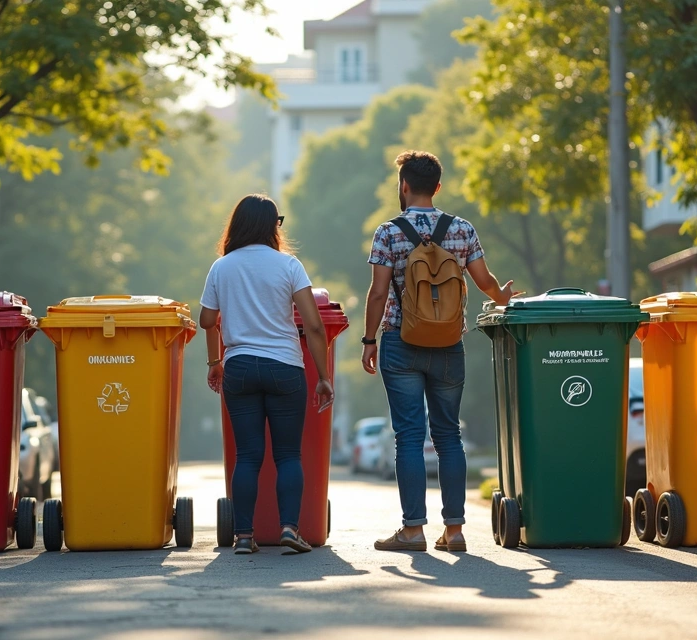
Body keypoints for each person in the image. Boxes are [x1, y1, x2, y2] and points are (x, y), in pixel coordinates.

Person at [362, 150, 517, 553]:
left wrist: (368, 341)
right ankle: (455, 531)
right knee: (449, 436)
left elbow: (379, 292)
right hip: (449, 345)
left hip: (401, 341)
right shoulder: (462, 229)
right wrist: (502, 295)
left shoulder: (388, 232)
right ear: (438, 187)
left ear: (405, 186)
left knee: (409, 437)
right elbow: (485, 281)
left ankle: (413, 531)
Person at [200, 194, 335, 555]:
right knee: (288, 455)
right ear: (272, 225)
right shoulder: (289, 266)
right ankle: (290, 528)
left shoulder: (222, 267)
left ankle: (244, 535)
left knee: (247, 455)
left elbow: (207, 321)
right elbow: (314, 326)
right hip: (285, 367)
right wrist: (323, 376)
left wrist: (215, 363)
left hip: (240, 367)